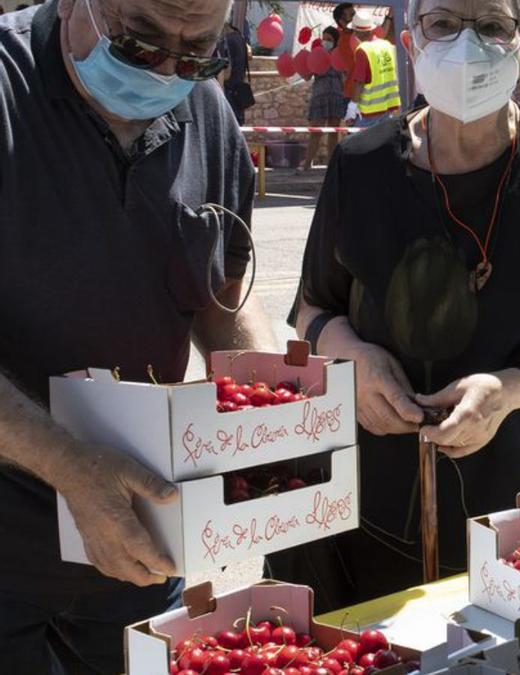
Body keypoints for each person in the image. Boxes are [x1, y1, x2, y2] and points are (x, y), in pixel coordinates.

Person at [265, 0, 520, 612]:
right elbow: (313, 310)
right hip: (385, 493)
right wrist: (355, 358)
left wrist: (518, 386)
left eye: (492, 26)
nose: (466, 44)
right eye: (443, 23)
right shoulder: (360, 165)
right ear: (412, 45)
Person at [0, 0, 276, 671]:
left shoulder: (207, 115)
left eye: (197, 51)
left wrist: (275, 395)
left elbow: (219, 298)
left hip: (134, 550)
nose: (166, 70)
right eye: (139, 42)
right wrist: (69, 465)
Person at [298, 26, 349, 172]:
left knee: (334, 132)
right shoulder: (317, 54)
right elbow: (307, 75)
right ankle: (307, 163)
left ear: (336, 41)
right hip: (319, 95)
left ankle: (331, 164)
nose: (326, 42)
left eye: (329, 39)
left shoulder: (340, 55)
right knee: (316, 131)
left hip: (336, 94)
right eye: (324, 39)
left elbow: (346, 75)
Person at [348, 11, 401, 127]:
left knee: (357, 143)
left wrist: (352, 106)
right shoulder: (386, 45)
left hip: (370, 111)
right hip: (388, 106)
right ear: (372, 29)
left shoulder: (363, 50)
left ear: (356, 31)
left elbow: (360, 82)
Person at [217, 18, 252, 124]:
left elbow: (225, 73)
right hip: (239, 94)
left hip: (229, 93)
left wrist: (218, 93)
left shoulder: (226, 41)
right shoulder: (240, 37)